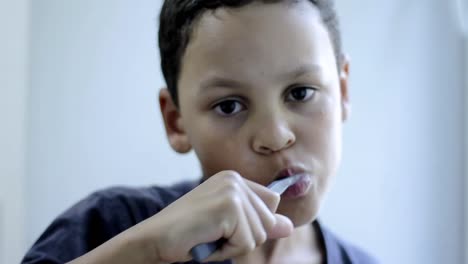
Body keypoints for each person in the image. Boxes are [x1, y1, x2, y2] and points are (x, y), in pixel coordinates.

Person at [22, 0, 378, 263]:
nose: (275, 136)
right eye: (229, 106)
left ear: (343, 92)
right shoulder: (111, 227)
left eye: (300, 93)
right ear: (176, 121)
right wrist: (146, 249)